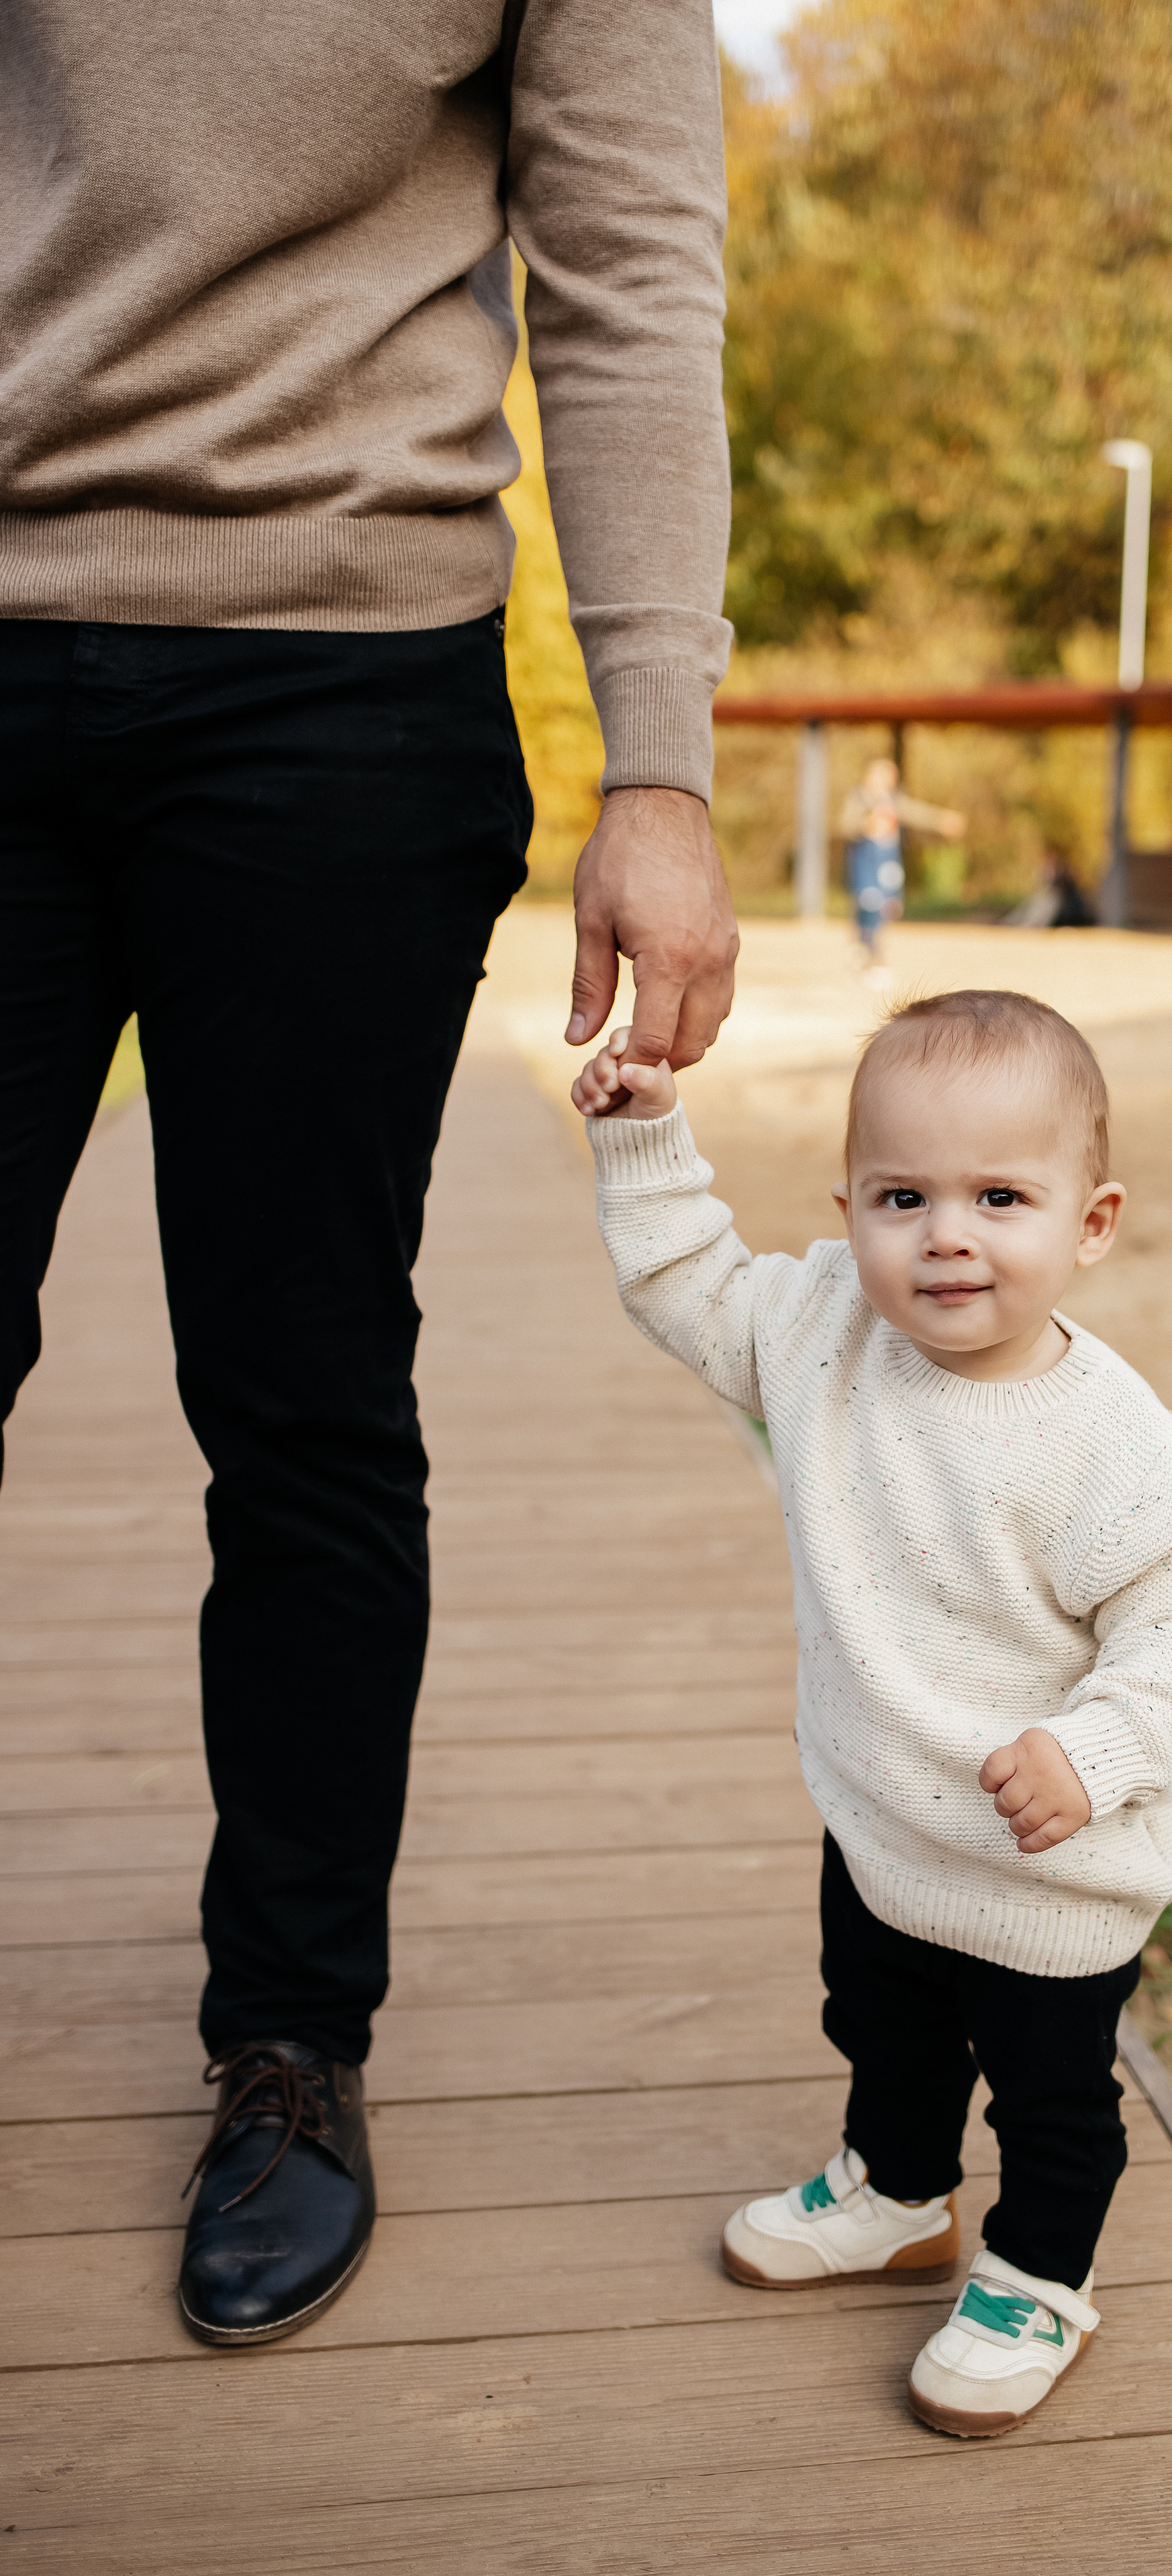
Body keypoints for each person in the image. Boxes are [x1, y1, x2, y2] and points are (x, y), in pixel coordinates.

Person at [0, 0, 738, 2348]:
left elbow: (629, 272)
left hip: (344, 676)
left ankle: (293, 2038)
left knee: (303, 1399)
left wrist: (662, 760)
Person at [572, 988, 1172, 2436]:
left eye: (999, 1194)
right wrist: (645, 1136)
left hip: (1048, 1858)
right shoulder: (818, 1326)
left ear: (1090, 1221)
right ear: (850, 1207)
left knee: (1050, 2095)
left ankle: (1035, 2271)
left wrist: (1097, 1746)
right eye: (902, 1194)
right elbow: (685, 1277)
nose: (945, 1231)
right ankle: (896, 2185)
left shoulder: (1109, 1443)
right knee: (881, 2025)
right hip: (878, 1810)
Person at [839, 758, 966, 975]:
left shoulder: (893, 800)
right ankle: (866, 947)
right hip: (867, 858)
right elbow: (845, 825)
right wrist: (866, 824)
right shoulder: (859, 798)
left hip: (888, 859)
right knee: (868, 901)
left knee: (888, 905)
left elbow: (916, 812)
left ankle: (872, 946)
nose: (890, 781)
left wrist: (941, 820)